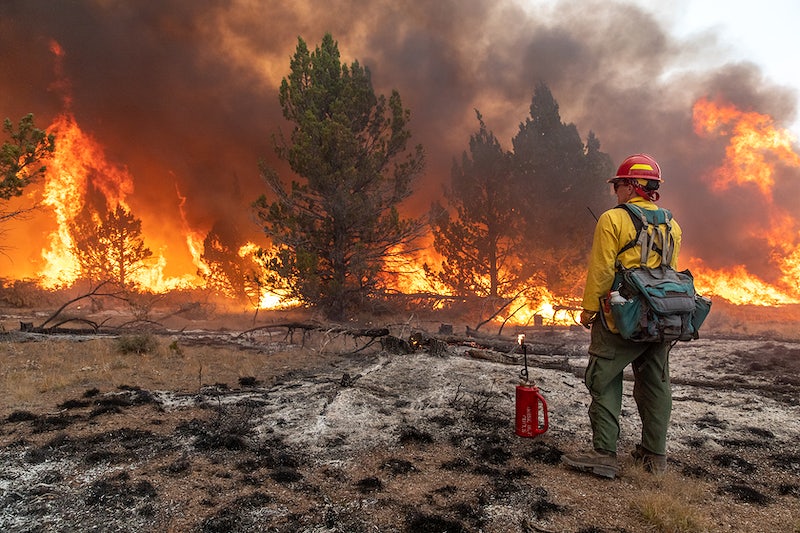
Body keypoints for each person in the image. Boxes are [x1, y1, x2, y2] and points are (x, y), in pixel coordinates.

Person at [562, 153, 682, 479]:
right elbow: (667, 273)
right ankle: (654, 457)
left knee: (602, 378)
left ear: (631, 186)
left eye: (617, 185)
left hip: (620, 316)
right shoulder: (672, 225)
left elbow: (602, 270)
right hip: (661, 318)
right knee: (655, 384)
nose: (615, 191)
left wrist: (589, 309)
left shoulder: (612, 219)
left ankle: (603, 454)